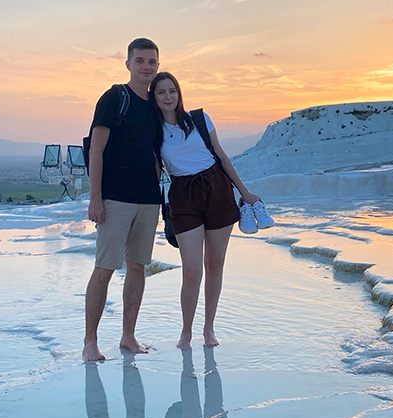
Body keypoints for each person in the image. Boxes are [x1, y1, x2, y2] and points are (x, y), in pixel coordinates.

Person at [149, 71, 270, 350]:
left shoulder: (200, 120)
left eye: (172, 91)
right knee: (191, 272)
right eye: (161, 92)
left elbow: (222, 156)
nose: (168, 97)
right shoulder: (154, 133)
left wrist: (245, 192)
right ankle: (186, 332)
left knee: (214, 266)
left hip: (216, 189)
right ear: (154, 98)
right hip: (183, 195)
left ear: (179, 94)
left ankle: (209, 329)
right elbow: (154, 172)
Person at [83, 38, 162, 362]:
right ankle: (90, 342)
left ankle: (128, 336)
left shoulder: (157, 104)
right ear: (128, 64)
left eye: (152, 61)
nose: (146, 66)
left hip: (148, 199)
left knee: (138, 268)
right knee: (104, 268)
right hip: (115, 199)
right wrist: (96, 198)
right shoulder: (115, 97)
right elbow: (97, 150)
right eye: (140, 60)